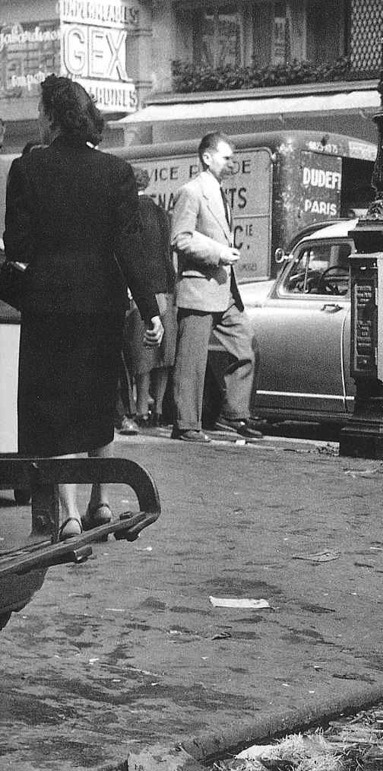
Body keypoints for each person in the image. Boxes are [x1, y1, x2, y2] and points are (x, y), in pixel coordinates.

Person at [3, 76, 163, 541]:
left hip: (48, 302)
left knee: (53, 408)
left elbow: (19, 243)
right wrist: (150, 309)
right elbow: (130, 248)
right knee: (96, 399)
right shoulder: (116, 172)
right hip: (101, 303)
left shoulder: (27, 170)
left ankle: (68, 513)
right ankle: (103, 502)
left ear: (52, 116)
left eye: (40, 111)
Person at [170, 131, 262, 442]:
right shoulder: (191, 192)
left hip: (224, 290)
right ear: (206, 158)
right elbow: (180, 238)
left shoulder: (218, 191)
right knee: (191, 362)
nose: (231, 164)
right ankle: (186, 425)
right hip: (199, 288)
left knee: (246, 345)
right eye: (226, 158)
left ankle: (233, 415)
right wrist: (218, 253)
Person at [122, 166, 177, 428]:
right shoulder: (162, 213)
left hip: (142, 291)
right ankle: (161, 407)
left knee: (143, 354)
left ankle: (142, 408)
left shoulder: (130, 213)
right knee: (163, 355)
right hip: (166, 286)